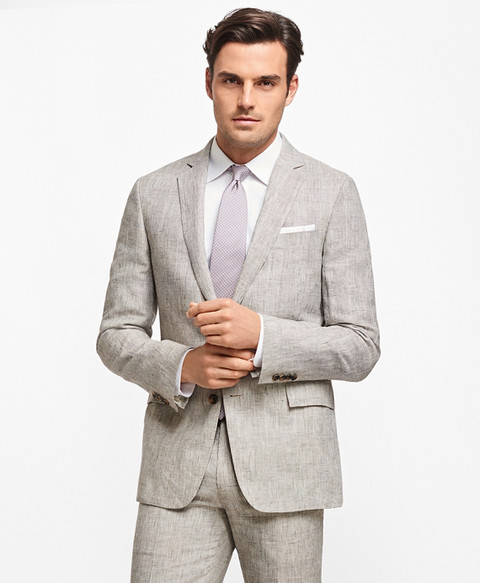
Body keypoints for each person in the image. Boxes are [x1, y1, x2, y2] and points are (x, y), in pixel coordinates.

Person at [97, 7, 380, 582]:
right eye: (232, 80)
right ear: (209, 83)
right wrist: (183, 364)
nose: (246, 100)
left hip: (286, 468)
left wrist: (264, 337)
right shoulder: (154, 193)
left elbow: (360, 345)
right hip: (178, 468)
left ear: (291, 88)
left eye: (265, 82)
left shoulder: (331, 193)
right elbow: (115, 334)